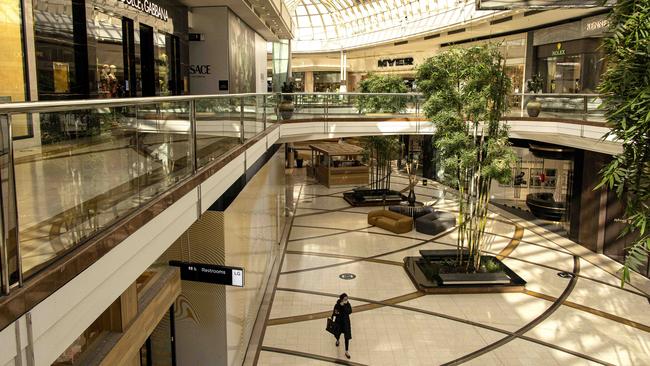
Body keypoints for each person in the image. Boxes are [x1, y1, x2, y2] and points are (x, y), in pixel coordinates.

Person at [332, 293, 352, 359]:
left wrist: (344, 306)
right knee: (338, 333)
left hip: (346, 323)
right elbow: (334, 313)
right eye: (345, 299)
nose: (346, 300)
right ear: (341, 299)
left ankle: (346, 351)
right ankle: (337, 340)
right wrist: (338, 309)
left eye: (347, 299)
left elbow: (350, 311)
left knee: (346, 337)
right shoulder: (337, 305)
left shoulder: (347, 304)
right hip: (339, 323)